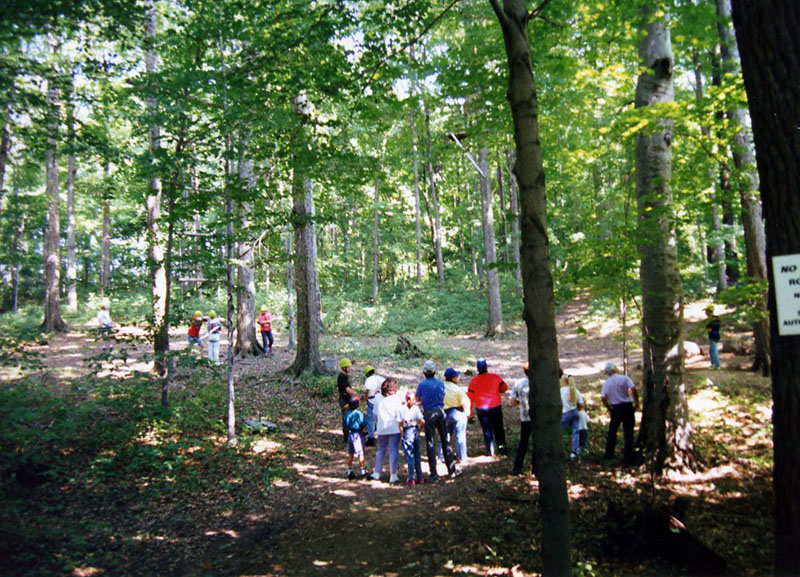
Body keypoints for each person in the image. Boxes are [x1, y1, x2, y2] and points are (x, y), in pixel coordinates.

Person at [415, 360, 457, 481]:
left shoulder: (422, 385)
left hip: (429, 413)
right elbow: (443, 396)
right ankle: (451, 469)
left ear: (424, 372)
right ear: (434, 371)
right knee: (445, 440)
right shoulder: (440, 383)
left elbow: (418, 398)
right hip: (440, 411)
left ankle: (433, 473)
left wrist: (424, 402)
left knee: (431, 442)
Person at [467, 358, 509, 456]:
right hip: (495, 406)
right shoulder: (495, 377)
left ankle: (490, 450)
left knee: (487, 429)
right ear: (486, 367)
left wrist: (470, 414)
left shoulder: (473, 381)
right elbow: (505, 388)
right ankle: (502, 448)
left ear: (477, 368)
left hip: (481, 409)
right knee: (498, 428)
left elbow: (470, 398)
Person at [601, 362, 639, 465]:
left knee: (612, 431)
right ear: (615, 369)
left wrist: (609, 407)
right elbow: (633, 388)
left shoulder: (607, 383)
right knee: (628, 432)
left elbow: (603, 398)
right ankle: (628, 457)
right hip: (627, 406)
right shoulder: (624, 378)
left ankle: (608, 454)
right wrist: (637, 403)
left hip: (616, 408)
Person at [370, 378, 403, 484]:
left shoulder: (377, 398)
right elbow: (400, 415)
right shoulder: (396, 399)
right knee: (393, 450)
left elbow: (375, 413)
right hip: (394, 428)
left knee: (381, 449)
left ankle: (376, 472)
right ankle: (393, 475)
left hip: (381, 427)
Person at [443, 367, 470, 463]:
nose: (459, 377)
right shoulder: (457, 389)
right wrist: (467, 414)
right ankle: (462, 457)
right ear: (453, 378)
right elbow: (466, 402)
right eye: (457, 376)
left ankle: (442, 456)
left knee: (445, 435)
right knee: (460, 436)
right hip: (458, 412)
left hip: (444, 413)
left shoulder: (441, 386)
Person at [399, 390, 424, 486]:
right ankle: (420, 476)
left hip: (407, 431)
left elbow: (400, 424)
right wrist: (419, 431)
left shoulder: (402, 409)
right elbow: (423, 421)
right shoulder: (416, 409)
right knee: (417, 454)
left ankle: (411, 478)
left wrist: (402, 436)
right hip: (414, 430)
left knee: (409, 455)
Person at [510, 362, 531, 475]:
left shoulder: (518, 383)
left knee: (523, 442)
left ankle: (517, 467)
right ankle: (536, 468)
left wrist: (522, 402)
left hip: (525, 417)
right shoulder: (540, 382)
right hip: (537, 418)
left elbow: (513, 402)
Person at [560, 368, 584, 461]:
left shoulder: (561, 391)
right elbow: (581, 404)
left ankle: (559, 449)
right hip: (575, 412)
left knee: (559, 431)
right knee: (575, 432)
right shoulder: (575, 391)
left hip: (565, 413)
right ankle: (574, 452)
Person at [344, 396, 368, 480]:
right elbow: (364, 424)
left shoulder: (347, 414)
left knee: (350, 453)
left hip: (350, 435)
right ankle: (363, 472)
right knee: (360, 453)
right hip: (358, 434)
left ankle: (349, 471)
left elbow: (345, 424)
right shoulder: (359, 414)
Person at [363, 365, 385, 447]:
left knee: (371, 420)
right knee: (380, 418)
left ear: (367, 374)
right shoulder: (381, 378)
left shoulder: (368, 380)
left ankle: (371, 438)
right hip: (381, 399)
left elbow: (368, 389)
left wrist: (365, 396)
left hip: (372, 400)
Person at [337, 358, 358, 443]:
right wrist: (356, 395)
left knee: (349, 415)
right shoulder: (343, 376)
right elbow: (347, 389)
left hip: (346, 398)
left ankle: (349, 433)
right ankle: (346, 435)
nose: (350, 368)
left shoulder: (344, 376)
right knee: (346, 416)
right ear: (344, 367)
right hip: (344, 399)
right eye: (348, 367)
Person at [705, 304, 721, 369]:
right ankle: (713, 364)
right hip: (714, 335)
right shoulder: (715, 319)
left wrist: (709, 329)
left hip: (713, 336)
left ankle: (716, 365)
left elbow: (710, 329)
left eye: (706, 311)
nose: (705, 313)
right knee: (711, 350)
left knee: (714, 350)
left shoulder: (713, 320)